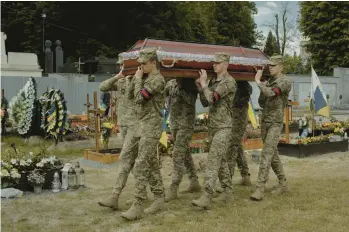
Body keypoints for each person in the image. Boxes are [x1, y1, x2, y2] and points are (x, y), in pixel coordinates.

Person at [121, 48, 165, 220]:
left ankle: (138, 205)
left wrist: (138, 79)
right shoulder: (145, 78)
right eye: (139, 64)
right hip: (141, 125)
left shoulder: (158, 80)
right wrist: (136, 80)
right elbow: (131, 96)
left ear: (154, 63)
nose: (141, 67)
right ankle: (159, 197)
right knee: (151, 163)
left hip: (151, 127)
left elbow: (140, 97)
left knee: (140, 163)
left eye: (144, 64)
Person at [191, 52, 237, 209]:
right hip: (213, 127)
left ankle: (207, 196)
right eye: (214, 62)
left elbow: (212, 98)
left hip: (224, 126)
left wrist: (204, 85)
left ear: (226, 64)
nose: (214, 65)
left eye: (218, 62)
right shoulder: (212, 81)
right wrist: (200, 87)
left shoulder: (229, 82)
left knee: (213, 159)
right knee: (221, 160)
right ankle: (228, 193)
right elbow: (205, 102)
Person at [250, 55, 292, 201]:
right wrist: (263, 86)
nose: (270, 67)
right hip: (265, 123)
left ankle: (260, 187)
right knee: (272, 154)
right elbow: (262, 102)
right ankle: (283, 183)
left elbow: (272, 93)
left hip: (275, 123)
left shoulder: (285, 81)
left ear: (281, 67)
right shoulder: (270, 81)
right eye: (270, 65)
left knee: (266, 154)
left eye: (273, 65)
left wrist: (258, 82)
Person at [164, 78, 201, 202]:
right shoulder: (170, 83)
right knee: (184, 153)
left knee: (178, 154)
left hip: (186, 123)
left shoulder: (190, 83)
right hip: (174, 123)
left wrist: (180, 89)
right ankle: (194, 182)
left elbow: (191, 100)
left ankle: (173, 188)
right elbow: (164, 97)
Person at [228, 81, 253, 186]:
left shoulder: (243, 85)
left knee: (232, 147)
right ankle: (245, 176)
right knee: (237, 147)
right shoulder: (237, 83)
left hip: (239, 116)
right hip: (235, 116)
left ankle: (227, 179)